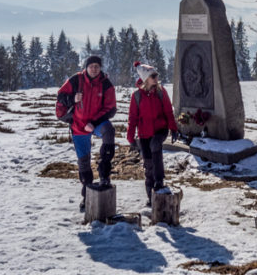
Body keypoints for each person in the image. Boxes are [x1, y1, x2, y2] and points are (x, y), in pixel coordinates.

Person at [56, 55, 117, 211]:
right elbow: (60, 96)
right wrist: (72, 99)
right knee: (84, 161)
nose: (94, 69)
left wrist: (94, 123)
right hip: (79, 126)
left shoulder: (106, 84)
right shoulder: (76, 80)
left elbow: (111, 109)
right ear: (86, 67)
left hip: (97, 122)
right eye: (91, 66)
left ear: (100, 68)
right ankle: (87, 195)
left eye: (97, 66)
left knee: (109, 132)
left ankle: (104, 175)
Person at [126, 61, 179, 206]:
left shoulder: (161, 92)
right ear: (145, 79)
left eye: (156, 75)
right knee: (148, 163)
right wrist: (130, 137)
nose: (156, 78)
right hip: (144, 133)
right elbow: (133, 118)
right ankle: (151, 195)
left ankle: (159, 181)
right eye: (153, 76)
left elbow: (168, 111)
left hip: (160, 130)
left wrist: (173, 129)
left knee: (156, 145)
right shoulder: (136, 96)